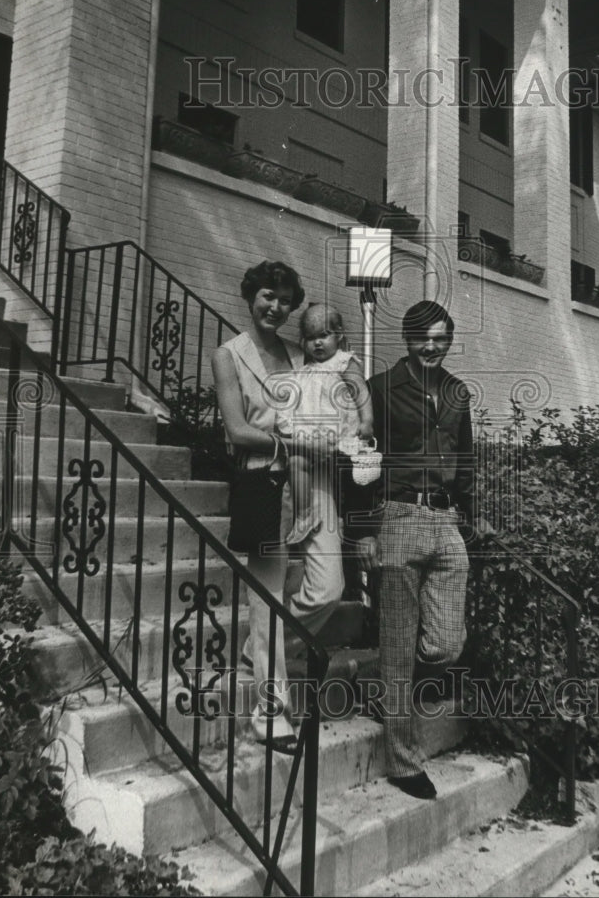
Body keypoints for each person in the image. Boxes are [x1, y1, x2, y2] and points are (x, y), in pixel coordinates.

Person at [354, 300, 491, 799]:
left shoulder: (456, 392)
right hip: (397, 515)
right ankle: (403, 761)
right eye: (422, 338)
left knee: (444, 645)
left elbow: (467, 455)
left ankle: (382, 685)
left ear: (449, 340)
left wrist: (475, 513)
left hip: (445, 521)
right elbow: (363, 458)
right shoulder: (382, 389)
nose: (431, 346)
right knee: (397, 647)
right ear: (407, 340)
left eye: (440, 338)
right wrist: (365, 530)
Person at [211, 261, 345, 754]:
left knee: (330, 589)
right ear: (252, 296)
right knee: (266, 600)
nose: (276, 307)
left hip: (316, 487)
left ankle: (255, 651)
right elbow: (237, 430)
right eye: (269, 295)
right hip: (265, 485)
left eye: (286, 300)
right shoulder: (229, 355)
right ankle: (271, 717)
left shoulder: (301, 354)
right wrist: (294, 445)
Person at [278, 303, 374, 544]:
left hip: (341, 434)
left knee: (349, 479)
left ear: (339, 335)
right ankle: (305, 514)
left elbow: (361, 391)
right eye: (311, 338)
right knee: (297, 462)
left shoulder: (343, 362)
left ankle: (343, 521)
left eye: (323, 335)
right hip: (314, 438)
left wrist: (368, 420)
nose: (317, 343)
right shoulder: (304, 370)